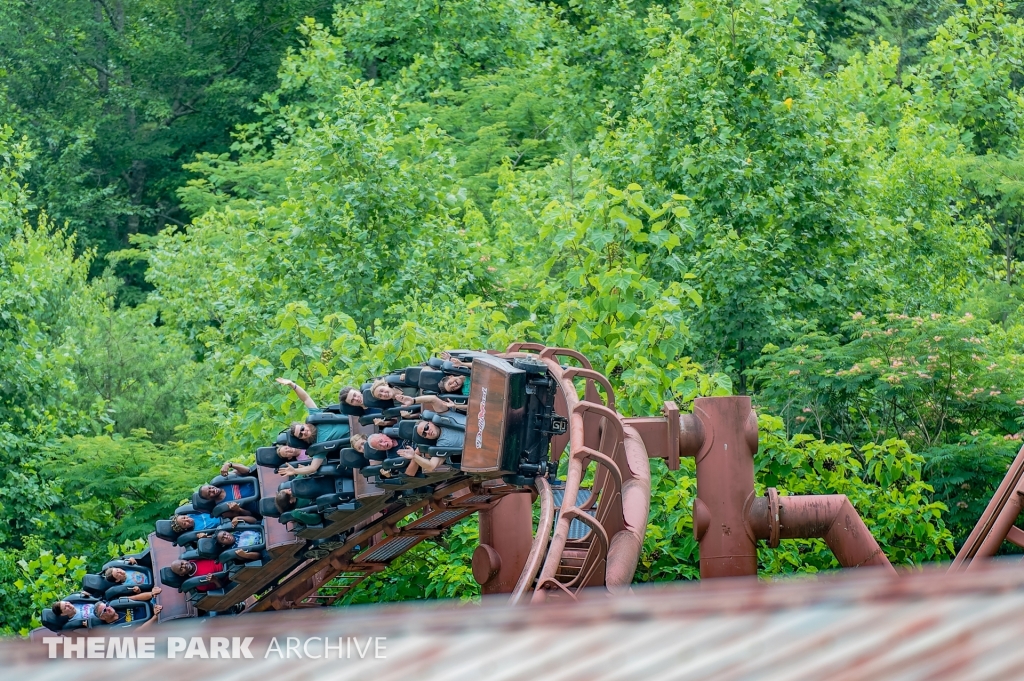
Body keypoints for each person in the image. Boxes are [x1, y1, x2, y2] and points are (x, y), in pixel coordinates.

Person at [277, 377, 350, 444]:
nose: (303, 432)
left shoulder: (315, 417)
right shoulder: (318, 445)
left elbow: (306, 399)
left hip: (354, 417)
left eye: (302, 429)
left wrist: (292, 384)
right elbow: (317, 458)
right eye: (300, 435)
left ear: (304, 424)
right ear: (301, 439)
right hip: (356, 437)